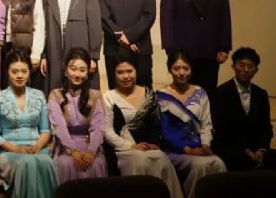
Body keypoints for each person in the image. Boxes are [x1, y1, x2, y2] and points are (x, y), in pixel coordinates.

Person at [102, 50, 184, 198]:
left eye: (129, 71)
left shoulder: (149, 94)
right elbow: (107, 132)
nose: (126, 76)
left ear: (136, 71)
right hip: (123, 150)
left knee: (161, 158)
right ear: (114, 74)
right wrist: (131, 146)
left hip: (148, 148)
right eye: (120, 72)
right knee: (141, 161)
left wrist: (153, 143)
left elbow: (155, 124)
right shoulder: (108, 97)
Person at [157, 49, 226, 198]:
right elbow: (164, 131)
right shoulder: (162, 95)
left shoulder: (200, 92)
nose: (182, 73)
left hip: (198, 148)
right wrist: (187, 149)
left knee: (218, 163)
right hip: (174, 150)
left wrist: (205, 145)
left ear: (191, 69)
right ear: (170, 69)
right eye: (176, 68)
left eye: (186, 68)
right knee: (200, 165)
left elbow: (206, 124)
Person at [0, 49, 56, 198]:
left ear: (29, 72)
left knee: (46, 163)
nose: (20, 76)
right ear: (7, 73)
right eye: (14, 71)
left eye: (24, 71)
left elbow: (45, 131)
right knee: (25, 163)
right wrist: (16, 149)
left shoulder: (39, 95)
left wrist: (36, 147)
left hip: (36, 149)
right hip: (8, 152)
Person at [41, 0, 102, 91]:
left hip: (80, 46)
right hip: (54, 48)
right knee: (56, 87)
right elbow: (43, 27)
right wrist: (43, 55)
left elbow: (95, 27)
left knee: (81, 87)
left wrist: (93, 56)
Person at [98, 0, 156, 89]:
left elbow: (149, 15)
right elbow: (104, 18)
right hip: (114, 50)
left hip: (141, 48)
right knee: (116, 92)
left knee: (145, 91)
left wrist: (130, 36)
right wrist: (123, 38)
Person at [48, 47, 107, 183]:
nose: (77, 74)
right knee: (67, 163)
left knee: (95, 163)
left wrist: (91, 151)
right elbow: (59, 126)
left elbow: (98, 127)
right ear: (65, 71)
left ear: (88, 73)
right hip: (64, 148)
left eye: (82, 70)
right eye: (73, 69)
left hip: (90, 145)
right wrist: (72, 150)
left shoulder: (95, 95)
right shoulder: (55, 95)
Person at [211, 47, 274, 170]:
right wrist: (246, 151)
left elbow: (266, 127)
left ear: (256, 70)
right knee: (241, 161)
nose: (246, 70)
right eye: (242, 65)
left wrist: (262, 150)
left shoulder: (261, 94)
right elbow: (221, 129)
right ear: (233, 66)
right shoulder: (220, 93)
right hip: (230, 149)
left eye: (250, 66)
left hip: (256, 149)